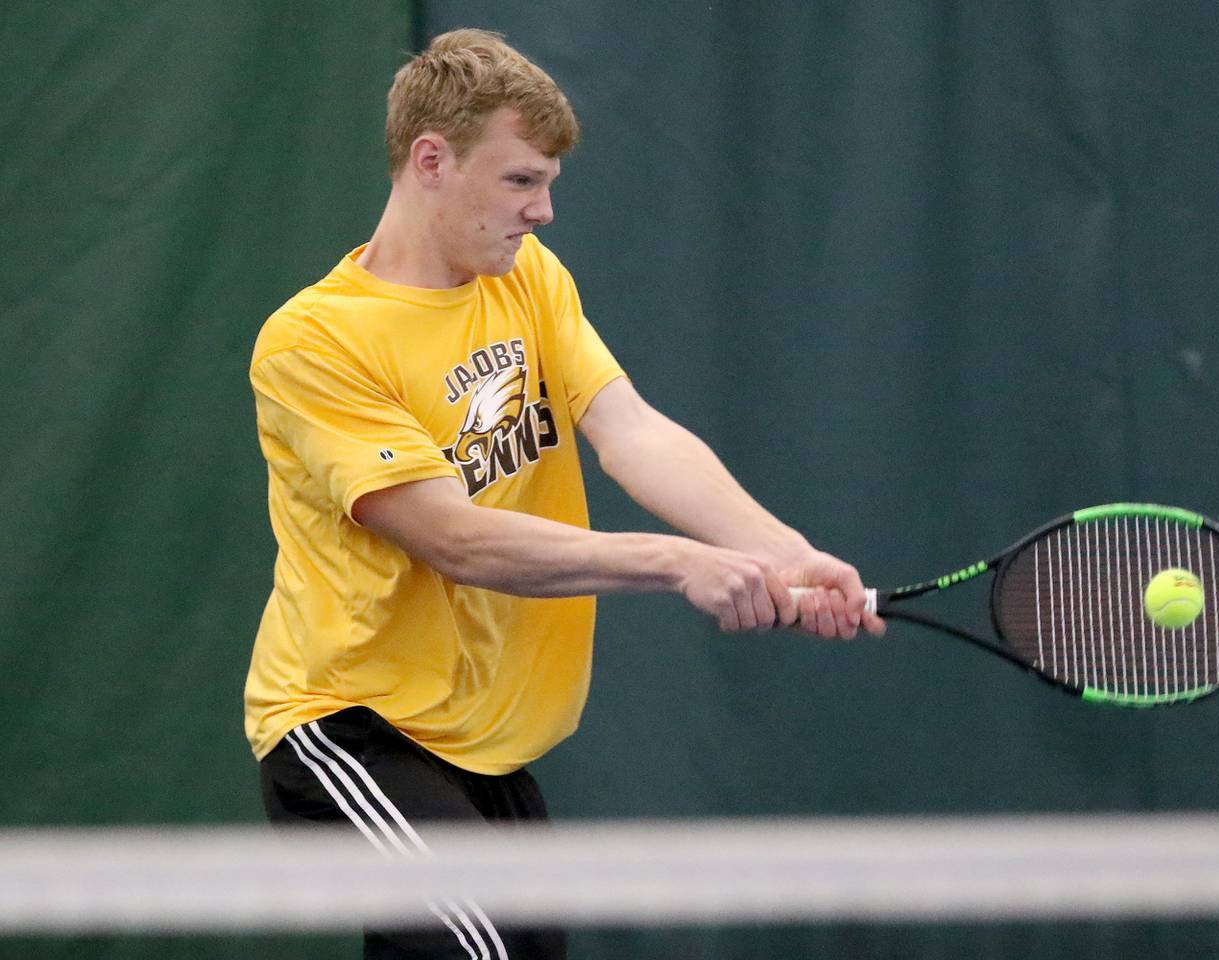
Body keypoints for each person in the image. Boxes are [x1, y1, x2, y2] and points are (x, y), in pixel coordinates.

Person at [245, 27, 884, 960]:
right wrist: (676, 563)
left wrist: (782, 552)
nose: (543, 211)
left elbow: (633, 433)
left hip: (489, 740)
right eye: (519, 182)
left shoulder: (526, 278)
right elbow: (455, 539)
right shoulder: (315, 343)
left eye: (548, 183)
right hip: (350, 727)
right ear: (431, 160)